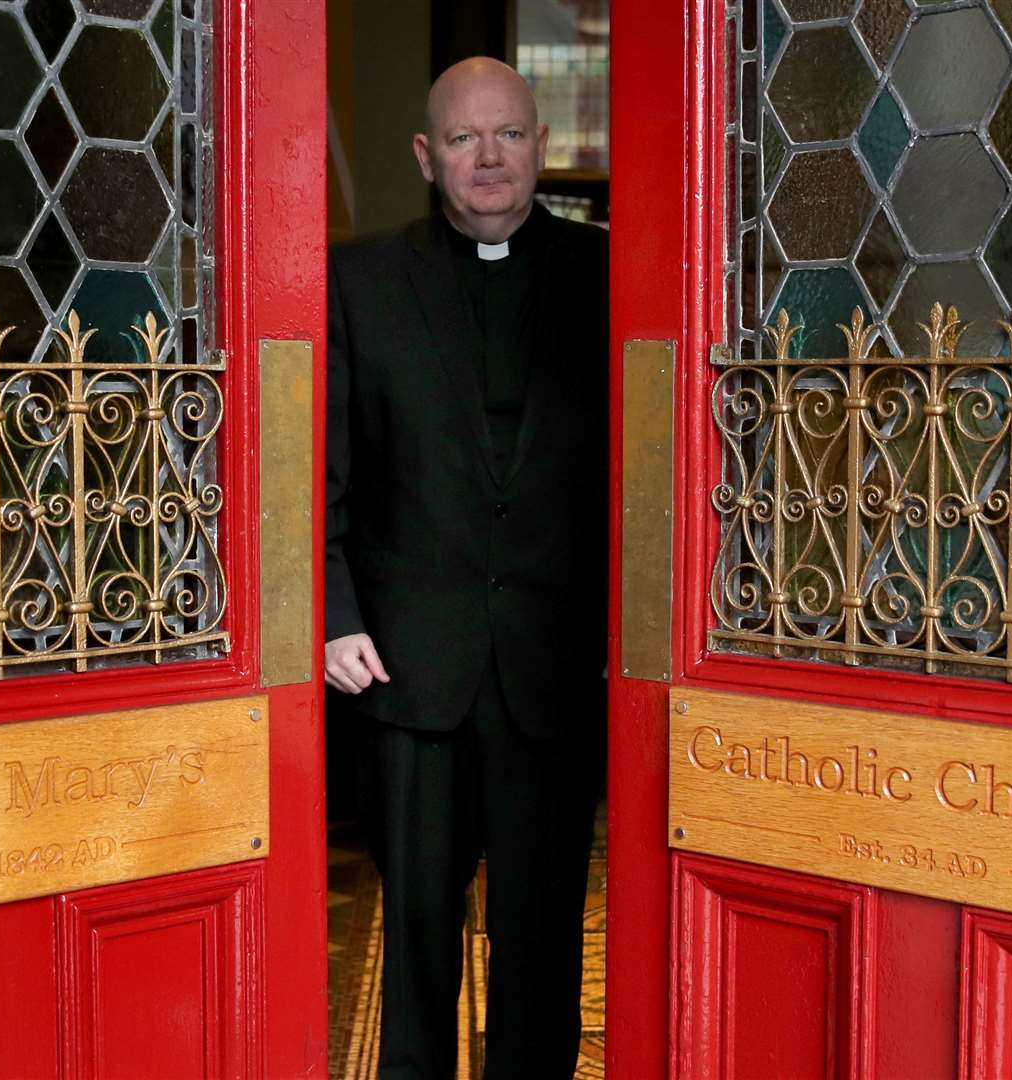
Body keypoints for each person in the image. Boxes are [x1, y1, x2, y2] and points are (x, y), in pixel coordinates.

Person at [325, 56, 609, 1078]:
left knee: (543, 943)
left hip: (558, 672)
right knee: (414, 943)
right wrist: (332, 612)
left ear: (541, 144)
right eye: (462, 138)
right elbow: (322, 470)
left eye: (509, 135)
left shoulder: (614, 275)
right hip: (408, 671)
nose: (488, 158)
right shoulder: (357, 282)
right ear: (425, 154)